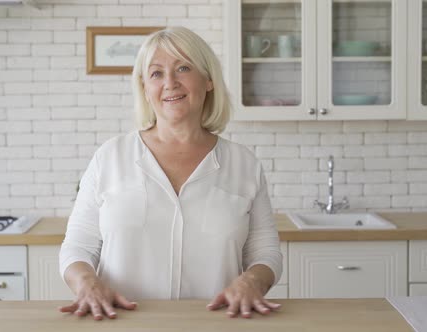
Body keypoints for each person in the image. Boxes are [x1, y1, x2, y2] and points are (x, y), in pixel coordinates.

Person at [58, 26, 282, 321]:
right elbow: (77, 247)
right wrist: (87, 284)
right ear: (145, 88)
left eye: (183, 68)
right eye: (156, 73)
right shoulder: (110, 157)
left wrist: (253, 281)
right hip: (120, 323)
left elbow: (266, 253)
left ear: (208, 80)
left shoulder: (244, 164)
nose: (170, 83)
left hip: (216, 324)